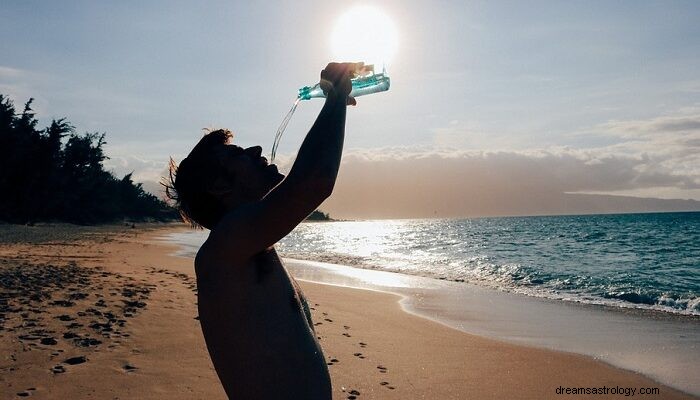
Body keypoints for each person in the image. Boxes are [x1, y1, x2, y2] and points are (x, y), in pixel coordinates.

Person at [165, 62, 360, 399]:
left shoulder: (250, 246)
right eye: (237, 154)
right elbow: (313, 182)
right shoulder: (223, 249)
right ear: (218, 186)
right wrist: (336, 97)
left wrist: (336, 102)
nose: (255, 150)